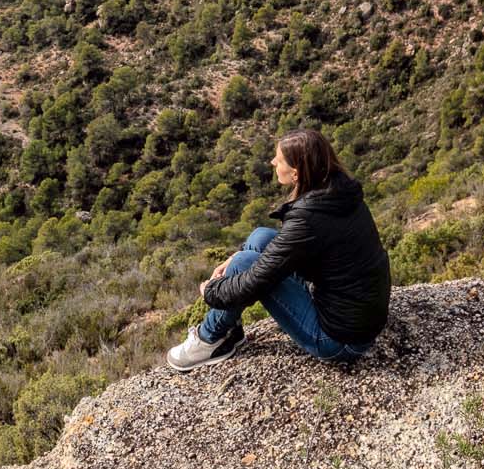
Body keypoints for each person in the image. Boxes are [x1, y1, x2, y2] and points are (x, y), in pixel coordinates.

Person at [167, 129, 391, 371]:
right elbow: (282, 250)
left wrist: (211, 291)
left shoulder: (309, 218)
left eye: (279, 159)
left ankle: (208, 338)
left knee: (245, 263)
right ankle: (228, 329)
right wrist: (233, 258)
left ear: (296, 172)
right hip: (359, 313)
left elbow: (256, 279)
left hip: (340, 340)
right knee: (260, 237)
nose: (273, 162)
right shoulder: (339, 191)